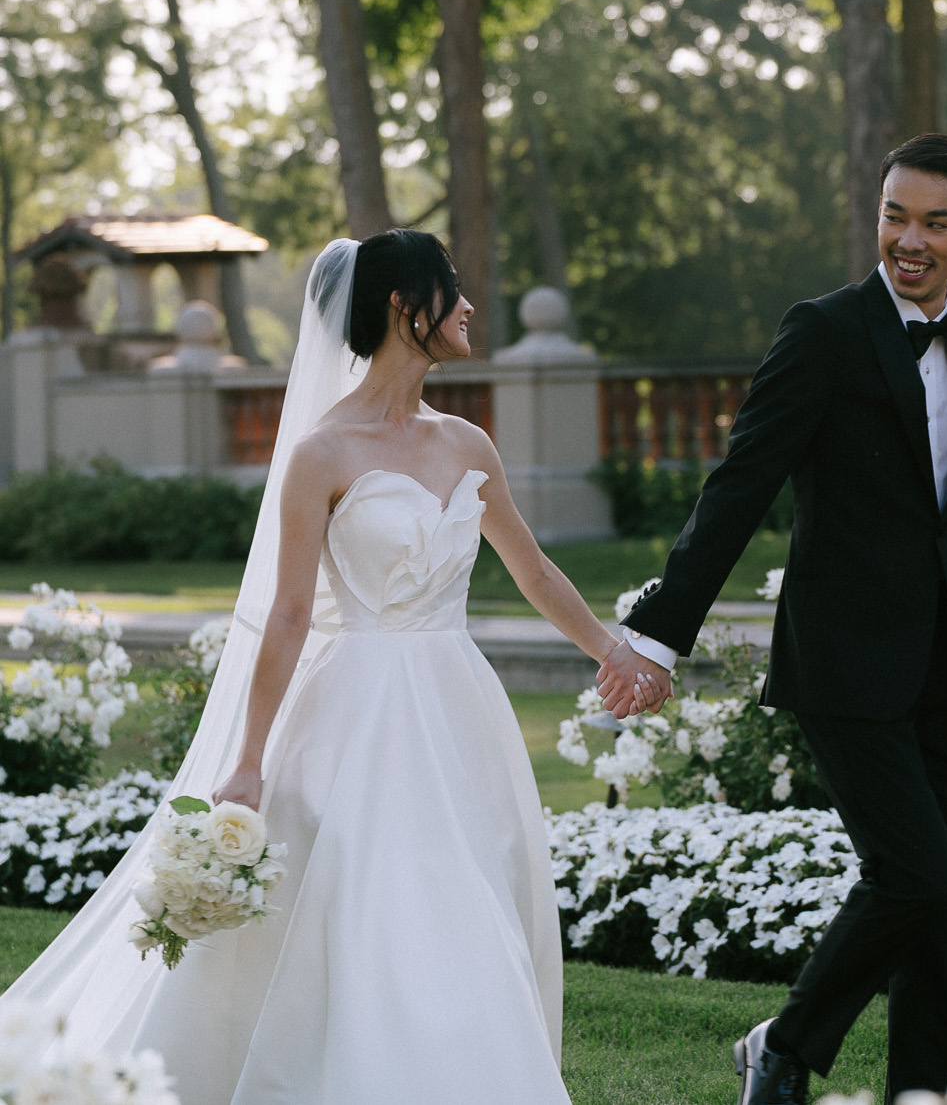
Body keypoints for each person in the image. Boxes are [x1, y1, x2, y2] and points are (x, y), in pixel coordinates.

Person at [2, 230, 661, 1103]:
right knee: (362, 901)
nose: (467, 306)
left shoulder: (468, 443)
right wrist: (246, 759)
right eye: (450, 289)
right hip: (353, 713)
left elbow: (534, 572)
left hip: (458, 709)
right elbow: (286, 614)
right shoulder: (321, 451)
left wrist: (615, 653)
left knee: (468, 896)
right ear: (402, 306)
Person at [596, 133, 947, 1103]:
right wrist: (659, 631)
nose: (909, 238)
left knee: (946, 909)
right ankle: (785, 1043)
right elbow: (741, 483)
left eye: (934, 222)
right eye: (894, 215)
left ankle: (928, 1091)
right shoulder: (823, 331)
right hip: (841, 657)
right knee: (915, 873)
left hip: (946, 666)